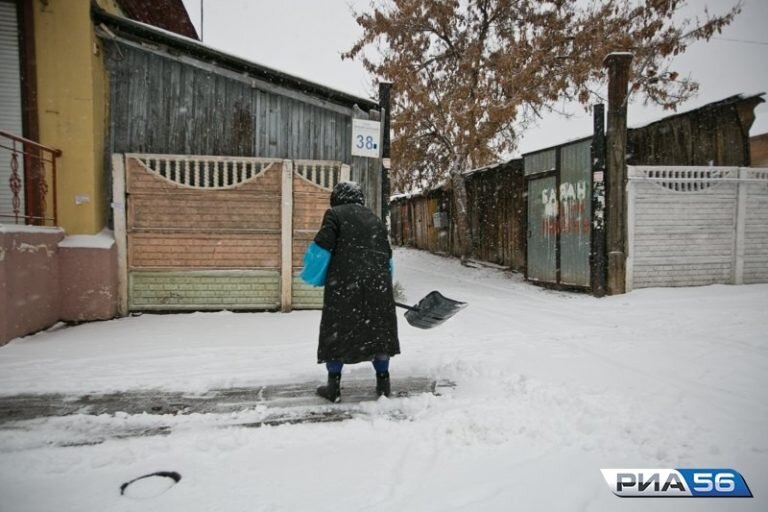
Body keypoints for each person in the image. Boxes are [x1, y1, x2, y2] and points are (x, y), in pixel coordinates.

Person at [300, 181, 400, 402]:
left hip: (344, 288)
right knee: (378, 334)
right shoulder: (375, 218)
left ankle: (333, 386)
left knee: (337, 333)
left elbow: (321, 250)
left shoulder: (335, 214)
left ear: (337, 198)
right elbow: (387, 257)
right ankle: (383, 382)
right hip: (377, 287)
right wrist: (382, 286)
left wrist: (311, 276)